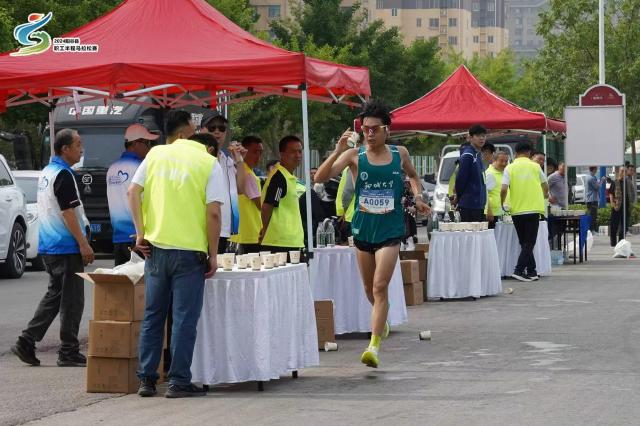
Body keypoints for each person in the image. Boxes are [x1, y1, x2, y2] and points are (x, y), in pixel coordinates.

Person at [314, 100, 430, 369]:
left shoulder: (399, 154)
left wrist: (418, 197)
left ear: (386, 130)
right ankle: (382, 318)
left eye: (375, 129)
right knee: (369, 289)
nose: (369, 133)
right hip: (363, 229)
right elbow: (319, 178)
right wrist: (337, 150)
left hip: (391, 229)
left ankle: (373, 346)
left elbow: (414, 177)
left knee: (379, 286)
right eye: (365, 129)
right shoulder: (355, 156)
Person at [128, 110, 224, 398]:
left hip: (155, 248)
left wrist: (140, 232)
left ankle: (147, 379)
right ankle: (178, 381)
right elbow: (214, 213)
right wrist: (213, 254)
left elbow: (132, 192)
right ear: (184, 133)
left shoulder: (155, 155)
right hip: (190, 252)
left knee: (153, 315)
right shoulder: (208, 162)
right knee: (183, 319)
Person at [11, 129, 95, 367]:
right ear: (65, 149)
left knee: (55, 296)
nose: (81, 149)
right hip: (65, 246)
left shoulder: (48, 172)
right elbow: (68, 213)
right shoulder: (63, 174)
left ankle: (27, 340)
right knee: (72, 300)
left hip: (50, 245)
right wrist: (83, 243)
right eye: (78, 145)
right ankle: (68, 351)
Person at [107, 124, 156, 266]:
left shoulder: (112, 168)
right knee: (142, 279)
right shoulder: (142, 167)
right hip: (139, 237)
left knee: (122, 279)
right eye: (148, 143)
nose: (149, 148)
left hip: (118, 237)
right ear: (136, 143)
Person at [199, 111, 246, 253]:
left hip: (224, 227)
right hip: (203, 227)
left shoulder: (227, 159)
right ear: (202, 130)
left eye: (221, 128)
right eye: (212, 127)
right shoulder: (198, 158)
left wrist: (240, 160)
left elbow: (241, 189)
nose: (217, 132)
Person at [501, 141, 548, 282]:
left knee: (524, 243)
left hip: (516, 210)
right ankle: (519, 270)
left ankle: (532, 271)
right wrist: (544, 194)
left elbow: (503, 189)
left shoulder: (509, 168)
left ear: (516, 153)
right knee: (529, 243)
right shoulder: (535, 166)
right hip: (533, 209)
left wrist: (502, 202)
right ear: (529, 153)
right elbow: (545, 184)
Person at [259, 135, 305, 255]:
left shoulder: (287, 176)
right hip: (279, 242)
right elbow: (267, 206)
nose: (298, 155)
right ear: (282, 154)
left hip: (289, 241)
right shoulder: (279, 177)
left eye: (300, 151)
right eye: (293, 151)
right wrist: (265, 230)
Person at [233, 136, 264, 254]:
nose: (258, 157)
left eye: (260, 153)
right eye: (255, 152)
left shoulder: (241, 172)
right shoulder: (248, 175)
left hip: (240, 234)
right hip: (249, 235)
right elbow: (261, 205)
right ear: (244, 152)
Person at [455, 124, 488, 222]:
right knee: (470, 231)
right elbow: (460, 180)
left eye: (483, 136)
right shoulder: (468, 155)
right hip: (469, 205)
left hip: (479, 204)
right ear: (470, 137)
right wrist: (460, 197)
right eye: (478, 135)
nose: (482, 138)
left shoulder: (477, 154)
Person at [485, 150, 509, 228]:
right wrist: (489, 211)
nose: (504, 163)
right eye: (501, 161)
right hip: (493, 214)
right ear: (494, 160)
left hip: (503, 213)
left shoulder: (504, 173)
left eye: (506, 161)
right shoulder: (490, 174)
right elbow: (485, 194)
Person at [609, 167, 626, 247]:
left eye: (624, 171)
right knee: (614, 225)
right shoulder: (615, 182)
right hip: (616, 206)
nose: (623, 173)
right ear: (619, 172)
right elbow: (611, 193)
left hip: (624, 207)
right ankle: (613, 243)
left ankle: (621, 242)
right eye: (622, 171)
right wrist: (612, 203)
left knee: (623, 226)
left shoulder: (626, 183)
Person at [585, 166, 604, 232]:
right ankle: (592, 230)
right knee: (593, 215)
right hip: (592, 199)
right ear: (594, 169)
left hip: (589, 199)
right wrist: (602, 180)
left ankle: (592, 229)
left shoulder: (588, 177)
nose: (597, 170)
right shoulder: (591, 178)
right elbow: (597, 187)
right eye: (596, 169)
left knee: (591, 215)